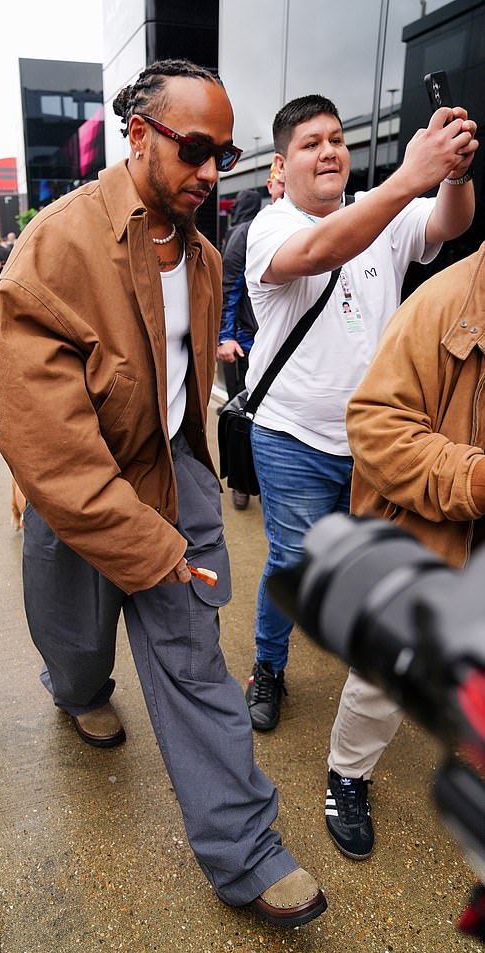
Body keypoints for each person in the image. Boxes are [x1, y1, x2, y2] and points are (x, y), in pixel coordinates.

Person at [0, 58, 328, 929]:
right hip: (77, 497)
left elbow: (171, 378)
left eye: (228, 151)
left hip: (175, 476)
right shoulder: (55, 246)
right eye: (198, 148)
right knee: (75, 645)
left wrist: (181, 513)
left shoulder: (207, 256)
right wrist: (146, 543)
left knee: (191, 663)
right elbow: (49, 444)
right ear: (138, 135)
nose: (214, 171)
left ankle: (246, 850)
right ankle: (77, 690)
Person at [242, 93, 477, 732]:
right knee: (293, 561)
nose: (330, 151)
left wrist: (453, 172)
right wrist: (408, 177)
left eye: (338, 140)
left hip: (374, 445)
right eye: (311, 143)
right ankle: (268, 666)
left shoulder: (385, 215)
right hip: (291, 435)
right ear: (281, 167)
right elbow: (317, 253)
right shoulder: (272, 227)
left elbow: (450, 225)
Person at [324, 240, 485, 860]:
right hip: (431, 540)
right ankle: (347, 773)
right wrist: (471, 479)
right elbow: (373, 425)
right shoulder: (442, 303)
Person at [217, 189, 262, 509]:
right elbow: (228, 287)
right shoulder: (242, 234)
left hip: (277, 344)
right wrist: (224, 337)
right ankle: (241, 483)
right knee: (242, 415)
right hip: (245, 344)